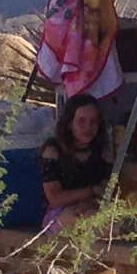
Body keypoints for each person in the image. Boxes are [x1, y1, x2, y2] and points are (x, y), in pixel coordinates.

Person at [33, 94, 114, 234]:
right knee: (90, 220)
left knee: (102, 219)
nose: (88, 127)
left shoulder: (102, 152)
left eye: (93, 122)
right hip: (60, 214)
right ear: (70, 123)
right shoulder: (53, 151)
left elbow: (107, 190)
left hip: (93, 207)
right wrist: (91, 191)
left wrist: (90, 202)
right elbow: (55, 198)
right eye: (81, 121)